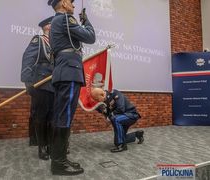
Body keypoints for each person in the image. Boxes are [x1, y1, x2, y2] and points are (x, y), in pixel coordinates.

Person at [48, 0, 96, 175]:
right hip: (69, 72)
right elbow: (90, 37)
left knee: (63, 116)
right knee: (64, 117)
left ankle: (60, 159)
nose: (74, 6)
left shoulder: (58, 20)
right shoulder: (64, 19)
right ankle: (59, 164)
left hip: (66, 71)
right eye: (71, 2)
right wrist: (86, 21)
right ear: (63, 4)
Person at [21, 16, 54, 160]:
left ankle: (52, 145)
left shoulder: (57, 44)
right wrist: (27, 82)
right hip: (41, 84)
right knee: (41, 117)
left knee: (53, 117)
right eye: (54, 24)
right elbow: (28, 59)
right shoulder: (38, 40)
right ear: (47, 26)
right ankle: (42, 146)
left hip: (55, 85)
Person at [91, 88, 144, 153]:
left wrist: (109, 118)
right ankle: (137, 134)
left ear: (102, 95)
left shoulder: (115, 94)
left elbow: (121, 108)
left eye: (96, 99)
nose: (97, 101)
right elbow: (107, 113)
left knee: (115, 119)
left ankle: (122, 145)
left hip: (131, 115)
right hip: (121, 117)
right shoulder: (103, 102)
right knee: (121, 137)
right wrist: (106, 116)